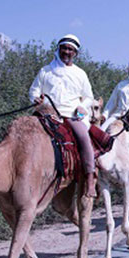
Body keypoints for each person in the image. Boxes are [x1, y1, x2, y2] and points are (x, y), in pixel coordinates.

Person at [29, 34, 96, 197]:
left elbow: (89, 97)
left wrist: (82, 106)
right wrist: (36, 99)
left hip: (71, 114)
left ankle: (90, 178)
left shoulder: (80, 74)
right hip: (47, 113)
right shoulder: (46, 71)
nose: (66, 52)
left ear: (75, 53)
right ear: (58, 49)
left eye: (70, 49)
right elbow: (34, 90)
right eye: (64, 48)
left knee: (84, 137)